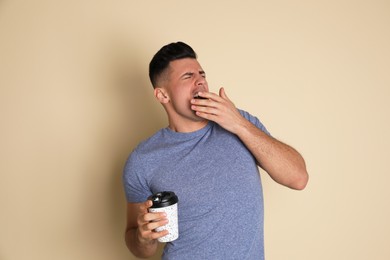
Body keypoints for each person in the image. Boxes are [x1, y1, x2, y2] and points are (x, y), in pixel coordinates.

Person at [123, 42, 308, 260]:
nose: (200, 80)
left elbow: (298, 178)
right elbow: (139, 247)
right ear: (163, 95)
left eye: (201, 74)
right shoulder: (143, 160)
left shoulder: (240, 123)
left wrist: (238, 124)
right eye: (187, 76)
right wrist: (143, 238)